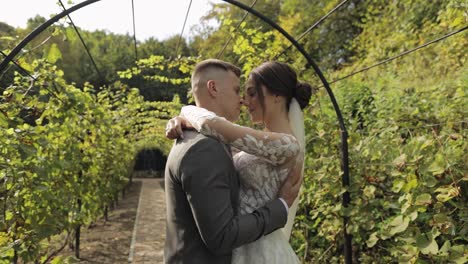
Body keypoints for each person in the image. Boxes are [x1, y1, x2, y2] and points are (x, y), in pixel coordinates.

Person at [164, 59, 303, 264]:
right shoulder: (207, 146)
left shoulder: (285, 145)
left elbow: (211, 124)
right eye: (239, 91)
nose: (244, 100)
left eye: (251, 93)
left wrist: (186, 113)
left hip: (258, 249)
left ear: (276, 95)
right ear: (213, 88)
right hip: (241, 244)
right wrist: (182, 120)